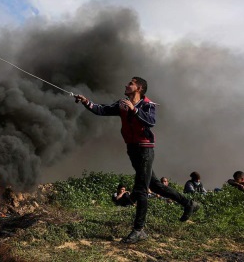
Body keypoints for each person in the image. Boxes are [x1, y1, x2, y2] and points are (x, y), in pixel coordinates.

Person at [75, 77, 200, 244]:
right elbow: (101, 110)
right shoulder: (122, 104)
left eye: (130, 83)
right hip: (132, 149)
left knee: (141, 189)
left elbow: (151, 121)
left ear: (139, 88)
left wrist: (134, 110)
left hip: (145, 150)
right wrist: (86, 102)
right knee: (155, 185)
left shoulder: (148, 105)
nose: (126, 85)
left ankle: (139, 230)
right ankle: (188, 203)